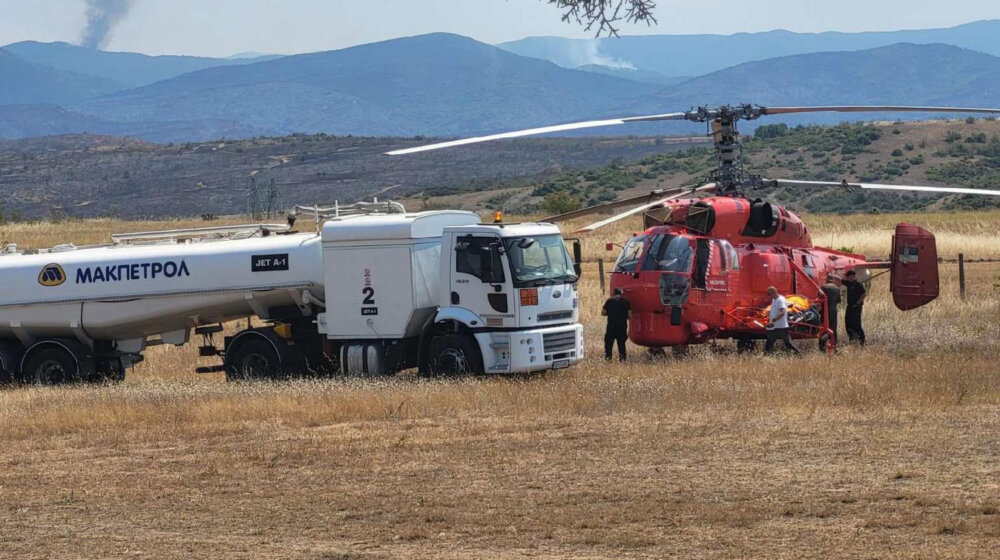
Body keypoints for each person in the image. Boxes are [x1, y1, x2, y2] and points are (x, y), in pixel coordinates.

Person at [764, 286, 800, 355]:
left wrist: (773, 320)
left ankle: (799, 356)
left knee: (788, 343)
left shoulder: (781, 300)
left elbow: (782, 312)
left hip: (781, 327)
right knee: (769, 343)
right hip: (774, 327)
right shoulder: (774, 300)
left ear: (773, 292)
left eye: (769, 294)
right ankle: (766, 357)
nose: (768, 296)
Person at [602, 287, 631, 361]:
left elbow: (603, 312)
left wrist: (610, 312)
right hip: (622, 327)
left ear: (614, 293)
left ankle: (608, 359)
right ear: (621, 293)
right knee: (621, 345)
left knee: (608, 345)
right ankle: (622, 360)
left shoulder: (609, 301)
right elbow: (630, 315)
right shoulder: (625, 302)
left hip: (611, 327)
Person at [843, 270, 866, 345]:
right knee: (848, 323)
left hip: (856, 307)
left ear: (852, 276)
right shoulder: (849, 284)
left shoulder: (858, 284)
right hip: (849, 306)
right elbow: (840, 280)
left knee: (856, 324)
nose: (847, 278)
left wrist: (858, 303)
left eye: (848, 276)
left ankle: (861, 341)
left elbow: (863, 294)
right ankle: (852, 339)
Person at [820, 274, 842, 345]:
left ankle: (823, 343)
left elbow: (820, 298)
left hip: (825, 310)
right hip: (833, 310)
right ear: (833, 279)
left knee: (824, 327)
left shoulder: (824, 287)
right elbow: (839, 300)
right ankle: (834, 344)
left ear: (827, 279)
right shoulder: (837, 288)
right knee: (833, 327)